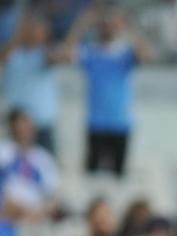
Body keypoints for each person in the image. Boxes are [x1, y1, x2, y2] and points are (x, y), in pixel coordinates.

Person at [66, 5, 155, 175]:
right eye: (105, 25)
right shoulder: (90, 53)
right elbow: (67, 53)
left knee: (119, 177)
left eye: (112, 26)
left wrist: (129, 28)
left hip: (120, 123)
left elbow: (147, 55)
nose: (108, 29)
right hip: (96, 123)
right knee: (91, 176)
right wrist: (82, 24)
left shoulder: (125, 54)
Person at [1, 11, 65, 152]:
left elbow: (55, 59)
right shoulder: (13, 53)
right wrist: (18, 36)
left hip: (41, 127)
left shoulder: (45, 54)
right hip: (15, 126)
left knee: (45, 169)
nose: (32, 33)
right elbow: (2, 57)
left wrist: (45, 38)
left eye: (37, 29)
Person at [0, 107, 60, 222]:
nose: (26, 128)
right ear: (13, 126)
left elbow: (54, 196)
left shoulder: (44, 158)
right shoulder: (3, 151)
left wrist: (41, 212)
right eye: (22, 123)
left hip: (36, 219)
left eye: (29, 124)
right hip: (6, 216)